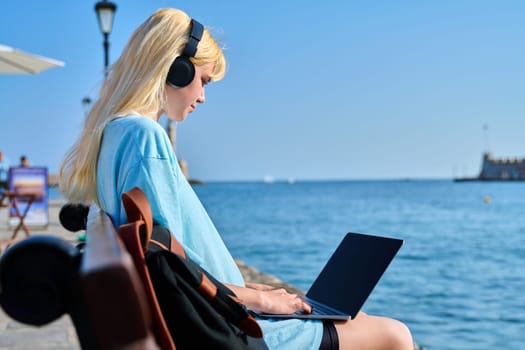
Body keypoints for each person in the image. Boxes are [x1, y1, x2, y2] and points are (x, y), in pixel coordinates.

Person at [59, 8, 413, 350]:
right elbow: (170, 274)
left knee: (354, 318)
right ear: (175, 70)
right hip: (231, 327)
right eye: (203, 81)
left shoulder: (114, 134)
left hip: (224, 312)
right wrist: (257, 299)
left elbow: (172, 265)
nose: (202, 96)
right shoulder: (142, 135)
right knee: (394, 335)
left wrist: (252, 292)